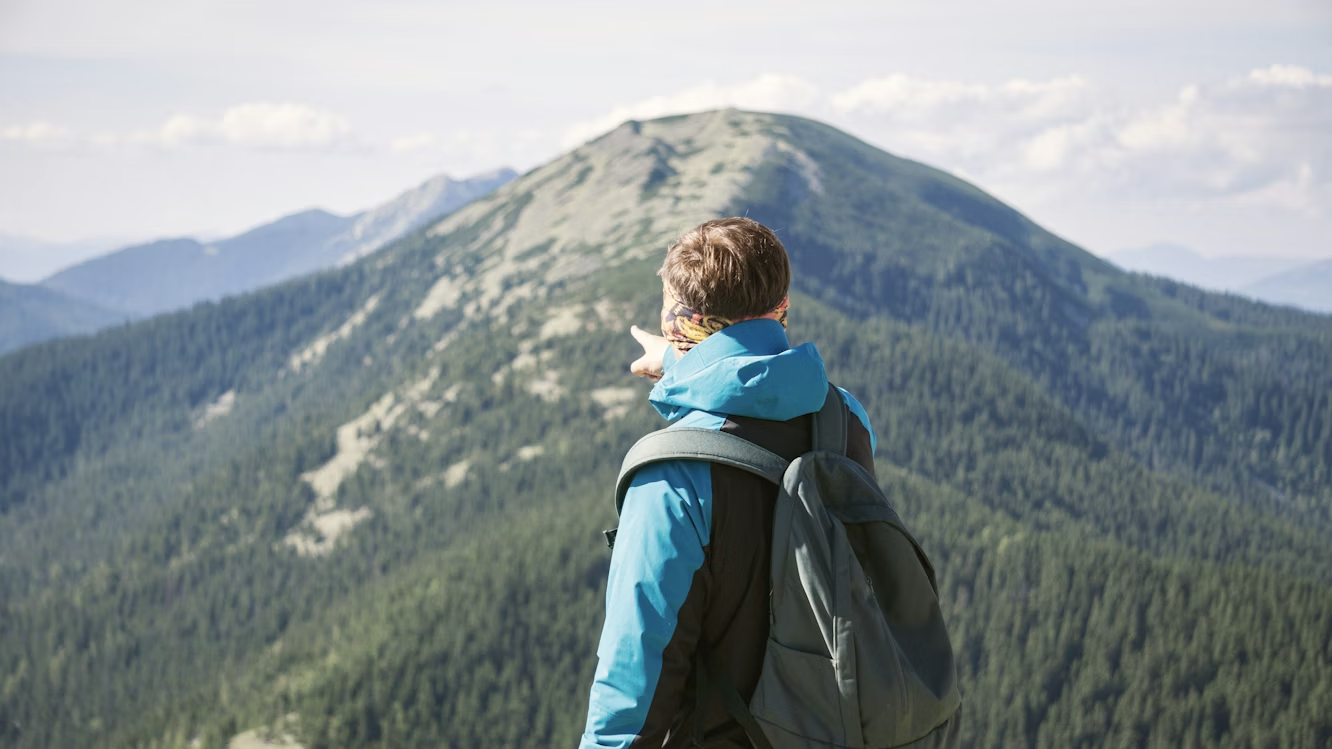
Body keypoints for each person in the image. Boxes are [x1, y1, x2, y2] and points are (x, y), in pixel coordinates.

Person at [579, 217, 879, 748]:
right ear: (780, 307)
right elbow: (759, 384)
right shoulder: (845, 420)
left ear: (682, 324)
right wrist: (678, 361)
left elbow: (631, 701)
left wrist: (680, 363)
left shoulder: (671, 477)